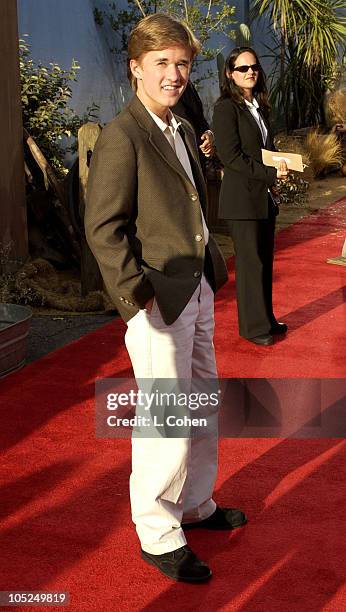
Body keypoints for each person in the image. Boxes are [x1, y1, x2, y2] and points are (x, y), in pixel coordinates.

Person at [85, 14, 247, 583]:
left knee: (202, 401)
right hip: (158, 301)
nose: (175, 74)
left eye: (182, 63)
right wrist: (138, 298)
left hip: (195, 287)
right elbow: (104, 230)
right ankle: (157, 532)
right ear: (136, 68)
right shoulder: (121, 136)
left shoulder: (177, 126)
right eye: (162, 63)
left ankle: (195, 504)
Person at [213, 47, 288, 346]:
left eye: (254, 67)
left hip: (262, 196)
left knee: (265, 261)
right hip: (241, 199)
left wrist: (277, 172)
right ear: (230, 74)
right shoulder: (225, 108)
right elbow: (230, 157)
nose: (250, 72)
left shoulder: (259, 106)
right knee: (249, 264)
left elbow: (261, 152)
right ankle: (253, 328)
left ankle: (266, 318)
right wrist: (270, 175)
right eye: (242, 68)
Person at [173, 80, 215, 174]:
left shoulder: (188, 86)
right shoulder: (169, 88)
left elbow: (199, 118)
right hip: (182, 159)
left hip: (198, 158)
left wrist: (208, 134)